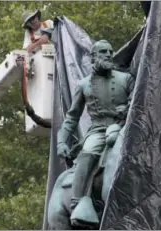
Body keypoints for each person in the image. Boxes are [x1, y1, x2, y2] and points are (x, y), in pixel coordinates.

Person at [57, 40, 135, 226]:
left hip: (125, 126)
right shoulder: (84, 85)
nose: (108, 54)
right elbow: (72, 117)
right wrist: (61, 141)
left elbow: (137, 101)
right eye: (103, 52)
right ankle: (78, 203)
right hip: (99, 130)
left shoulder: (126, 78)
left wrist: (128, 108)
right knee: (88, 153)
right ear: (94, 57)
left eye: (110, 51)